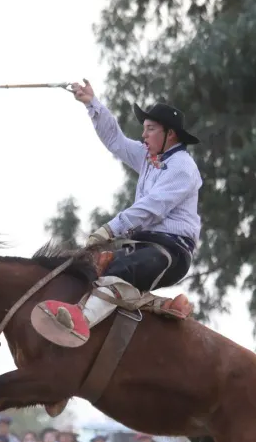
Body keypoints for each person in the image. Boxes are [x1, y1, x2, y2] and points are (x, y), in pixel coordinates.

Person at [31, 79, 201, 347]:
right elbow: (115, 140)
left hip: (172, 252)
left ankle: (79, 322)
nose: (143, 135)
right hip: (144, 246)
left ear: (171, 135)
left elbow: (152, 208)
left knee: (121, 269)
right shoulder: (150, 157)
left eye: (150, 129)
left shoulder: (183, 168)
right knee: (93, 266)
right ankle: (156, 304)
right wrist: (91, 103)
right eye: (144, 130)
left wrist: (110, 229)